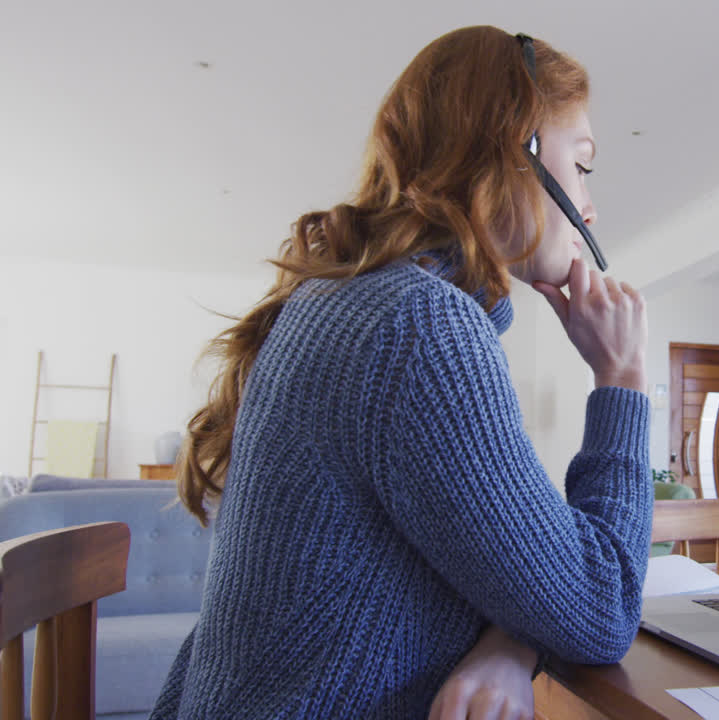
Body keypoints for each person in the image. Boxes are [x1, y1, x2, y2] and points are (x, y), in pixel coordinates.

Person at [150, 26, 651, 720]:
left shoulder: (358, 302)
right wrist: (621, 379)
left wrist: (509, 641)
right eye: (583, 164)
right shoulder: (421, 328)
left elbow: (516, 564)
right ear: (519, 150)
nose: (589, 206)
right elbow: (602, 607)